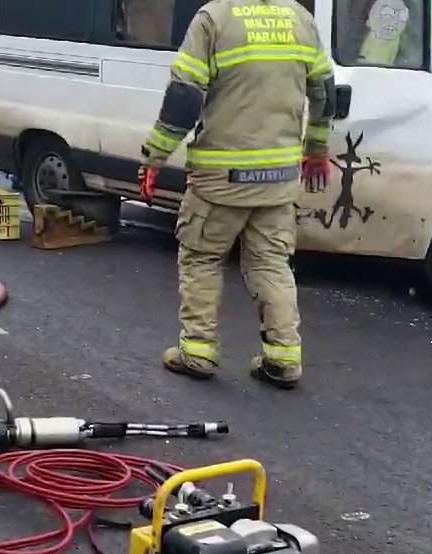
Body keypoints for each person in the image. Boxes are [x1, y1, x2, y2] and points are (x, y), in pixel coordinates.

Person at [138, 0, 335, 390]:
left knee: (202, 257)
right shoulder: (300, 19)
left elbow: (184, 97)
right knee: (271, 264)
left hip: (220, 178)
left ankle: (198, 352)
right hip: (277, 178)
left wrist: (154, 157)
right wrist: (317, 150)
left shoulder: (215, 18)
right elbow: (326, 92)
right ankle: (284, 359)